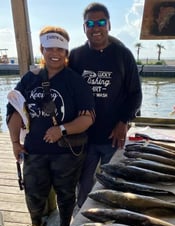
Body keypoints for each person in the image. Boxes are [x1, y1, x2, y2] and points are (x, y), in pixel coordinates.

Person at [6, 26, 95, 226]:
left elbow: (88, 118)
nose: (55, 53)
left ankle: (65, 225)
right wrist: (15, 143)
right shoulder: (30, 78)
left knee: (66, 195)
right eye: (49, 48)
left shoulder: (75, 81)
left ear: (66, 52)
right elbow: (14, 111)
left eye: (60, 49)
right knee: (33, 193)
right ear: (42, 49)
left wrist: (61, 130)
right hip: (33, 150)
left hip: (66, 153)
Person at [69, 2, 142, 208]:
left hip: (113, 135)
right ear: (84, 28)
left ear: (109, 25)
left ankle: (112, 219)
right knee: (83, 184)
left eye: (101, 22)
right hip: (83, 137)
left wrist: (124, 121)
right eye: (89, 23)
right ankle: (82, 219)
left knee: (114, 185)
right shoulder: (75, 56)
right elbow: (61, 83)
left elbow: (135, 93)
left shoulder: (123, 55)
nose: (96, 27)